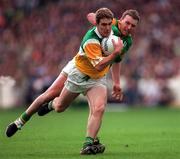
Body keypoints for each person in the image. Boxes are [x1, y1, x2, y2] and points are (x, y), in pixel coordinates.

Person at [6, 8, 140, 155]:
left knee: (99, 107)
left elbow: (116, 60)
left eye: (133, 26)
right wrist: (99, 23)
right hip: (79, 71)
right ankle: (21, 121)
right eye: (127, 23)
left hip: (98, 77)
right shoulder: (97, 35)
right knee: (54, 99)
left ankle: (88, 143)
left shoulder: (127, 41)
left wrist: (117, 83)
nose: (129, 27)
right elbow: (91, 18)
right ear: (121, 20)